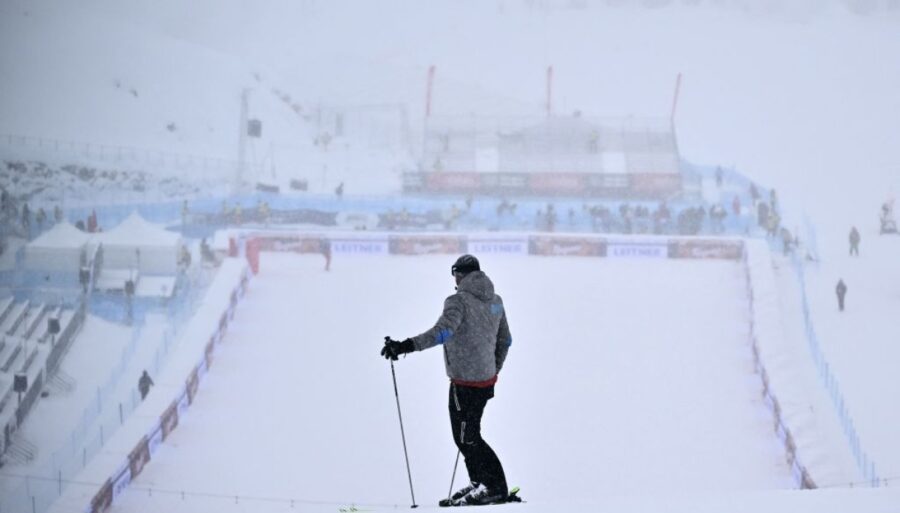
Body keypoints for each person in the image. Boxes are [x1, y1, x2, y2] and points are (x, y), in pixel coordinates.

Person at [380, 255, 512, 506]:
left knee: (467, 437)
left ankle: (494, 487)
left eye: (455, 275)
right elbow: (505, 340)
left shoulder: (458, 301)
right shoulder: (496, 302)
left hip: (464, 383)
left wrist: (405, 346)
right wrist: (494, 369)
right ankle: (479, 482)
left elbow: (442, 332)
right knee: (469, 435)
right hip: (486, 382)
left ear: (459, 275)